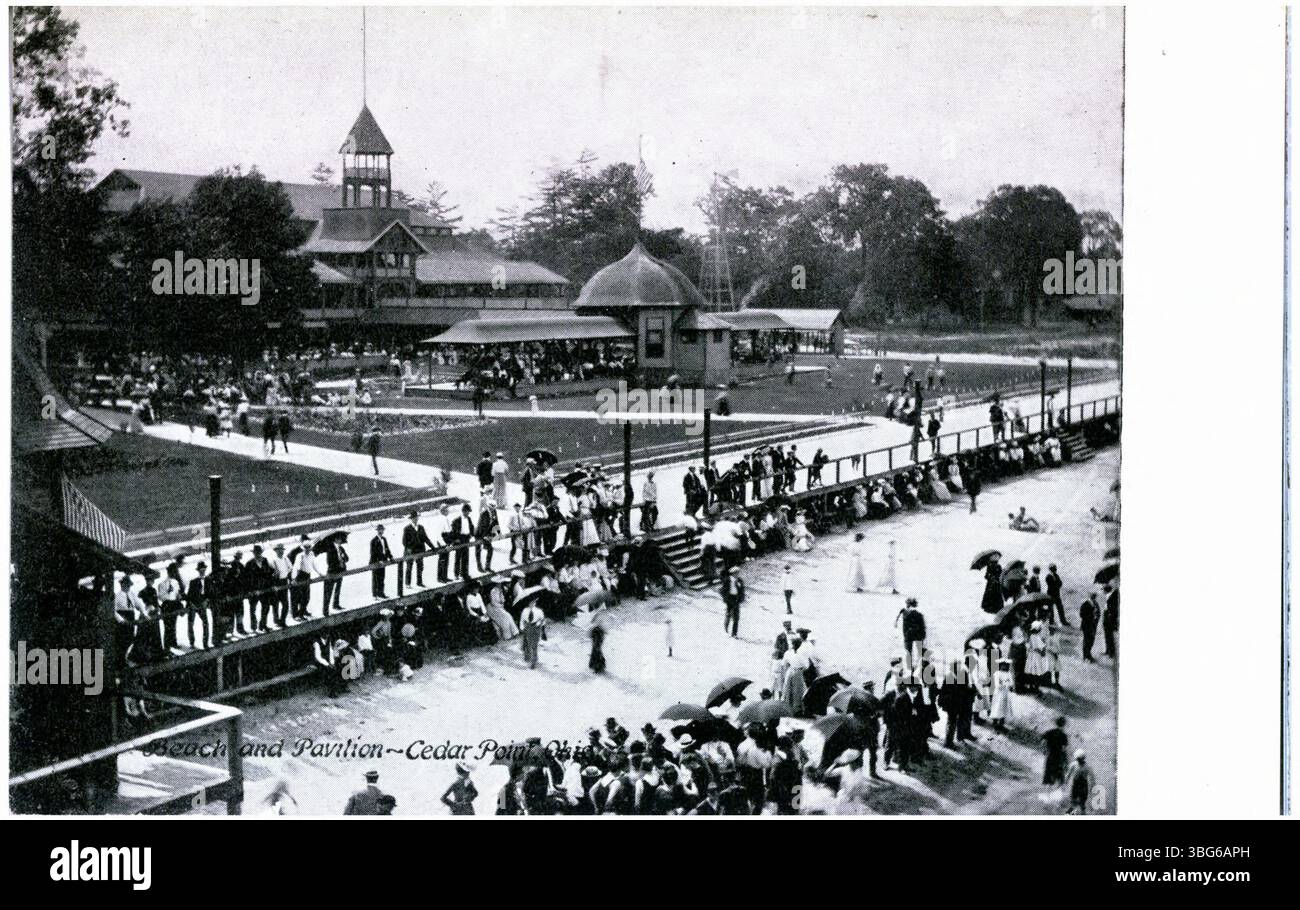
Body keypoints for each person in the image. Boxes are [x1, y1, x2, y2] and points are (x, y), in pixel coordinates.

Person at [186, 561, 213, 650]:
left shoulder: (208, 580)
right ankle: (192, 642)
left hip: (202, 604)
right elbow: (189, 595)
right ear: (198, 571)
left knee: (206, 623)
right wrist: (191, 604)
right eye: (201, 570)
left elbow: (210, 593)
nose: (202, 571)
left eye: (204, 569)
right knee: (190, 624)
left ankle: (205, 643)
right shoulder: (193, 582)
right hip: (194, 604)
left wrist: (207, 601)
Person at [402, 511, 433, 588]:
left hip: (419, 551)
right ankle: (407, 583)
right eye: (413, 518)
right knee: (409, 567)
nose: (415, 519)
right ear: (411, 519)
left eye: (416, 517)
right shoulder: (407, 528)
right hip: (410, 551)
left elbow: (425, 538)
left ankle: (419, 582)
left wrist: (432, 547)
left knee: (420, 566)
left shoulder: (421, 527)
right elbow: (404, 542)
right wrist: (411, 548)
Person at [896, 598, 926, 668]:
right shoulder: (919, 613)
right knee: (919, 652)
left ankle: (909, 667)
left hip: (908, 635)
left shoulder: (904, 612)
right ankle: (920, 666)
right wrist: (923, 636)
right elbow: (922, 626)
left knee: (908, 652)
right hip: (918, 635)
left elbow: (901, 625)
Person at [1064, 750, 1096, 814]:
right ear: (1076, 758)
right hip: (1075, 784)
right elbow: (1068, 774)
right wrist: (1066, 781)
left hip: (1083, 785)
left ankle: (1082, 813)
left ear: (1083, 759)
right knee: (1073, 801)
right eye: (1078, 759)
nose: (1079, 760)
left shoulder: (1087, 766)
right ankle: (1072, 813)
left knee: (1082, 803)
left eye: (1081, 759)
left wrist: (1092, 786)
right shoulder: (1073, 765)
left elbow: (1092, 777)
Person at [988, 657, 1014, 731]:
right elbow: (997, 685)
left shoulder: (1008, 673)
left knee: (1004, 708)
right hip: (998, 693)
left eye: (1006, 665)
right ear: (1000, 665)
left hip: (1005, 693)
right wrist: (1006, 683)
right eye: (1003, 665)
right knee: (997, 707)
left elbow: (1011, 683)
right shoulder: (997, 673)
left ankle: (1001, 723)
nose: (1004, 667)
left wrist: (1008, 685)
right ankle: (995, 723)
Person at [1042, 717, 1069, 785]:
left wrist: (1044, 750)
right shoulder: (1064, 736)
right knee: (1059, 777)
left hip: (1050, 755)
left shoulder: (1049, 732)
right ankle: (1058, 790)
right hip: (1059, 757)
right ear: (1064, 725)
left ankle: (1048, 789)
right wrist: (1066, 761)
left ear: (1056, 723)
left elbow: (1043, 741)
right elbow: (1064, 749)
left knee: (1049, 774)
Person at [520, 597, 545, 668]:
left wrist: (539, 623)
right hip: (528, 627)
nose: (532, 604)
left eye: (533, 602)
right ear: (528, 603)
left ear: (535, 603)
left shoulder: (539, 611)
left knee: (534, 644)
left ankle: (534, 660)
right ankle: (528, 655)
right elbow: (522, 619)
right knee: (528, 643)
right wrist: (521, 626)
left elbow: (543, 620)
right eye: (530, 602)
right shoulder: (525, 610)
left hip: (536, 628)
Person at [720, 567, 745, 638]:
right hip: (729, 599)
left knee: (736, 617)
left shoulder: (739, 580)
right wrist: (725, 598)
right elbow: (722, 590)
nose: (737, 574)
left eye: (738, 573)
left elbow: (742, 590)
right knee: (728, 614)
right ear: (733, 573)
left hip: (736, 599)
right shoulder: (727, 580)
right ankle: (726, 628)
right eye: (736, 573)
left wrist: (742, 598)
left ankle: (734, 633)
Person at [369, 524, 392, 599]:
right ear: (377, 531)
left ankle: (381, 593)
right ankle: (374, 595)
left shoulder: (384, 539)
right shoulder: (373, 541)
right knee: (375, 579)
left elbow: (387, 549)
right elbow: (373, 553)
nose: (380, 531)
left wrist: (390, 557)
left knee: (382, 578)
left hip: (383, 561)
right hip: (375, 562)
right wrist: (378, 561)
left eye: (382, 530)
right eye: (379, 530)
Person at [1080, 592, 1100, 662]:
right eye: (1092, 596)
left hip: (1093, 625)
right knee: (1086, 641)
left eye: (1095, 596)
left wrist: (1096, 619)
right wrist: (1091, 616)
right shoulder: (1085, 604)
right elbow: (1082, 615)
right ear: (1089, 596)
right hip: (1087, 626)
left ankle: (1089, 654)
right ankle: (1085, 656)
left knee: (1091, 640)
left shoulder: (1096, 604)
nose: (1094, 597)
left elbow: (1098, 613)